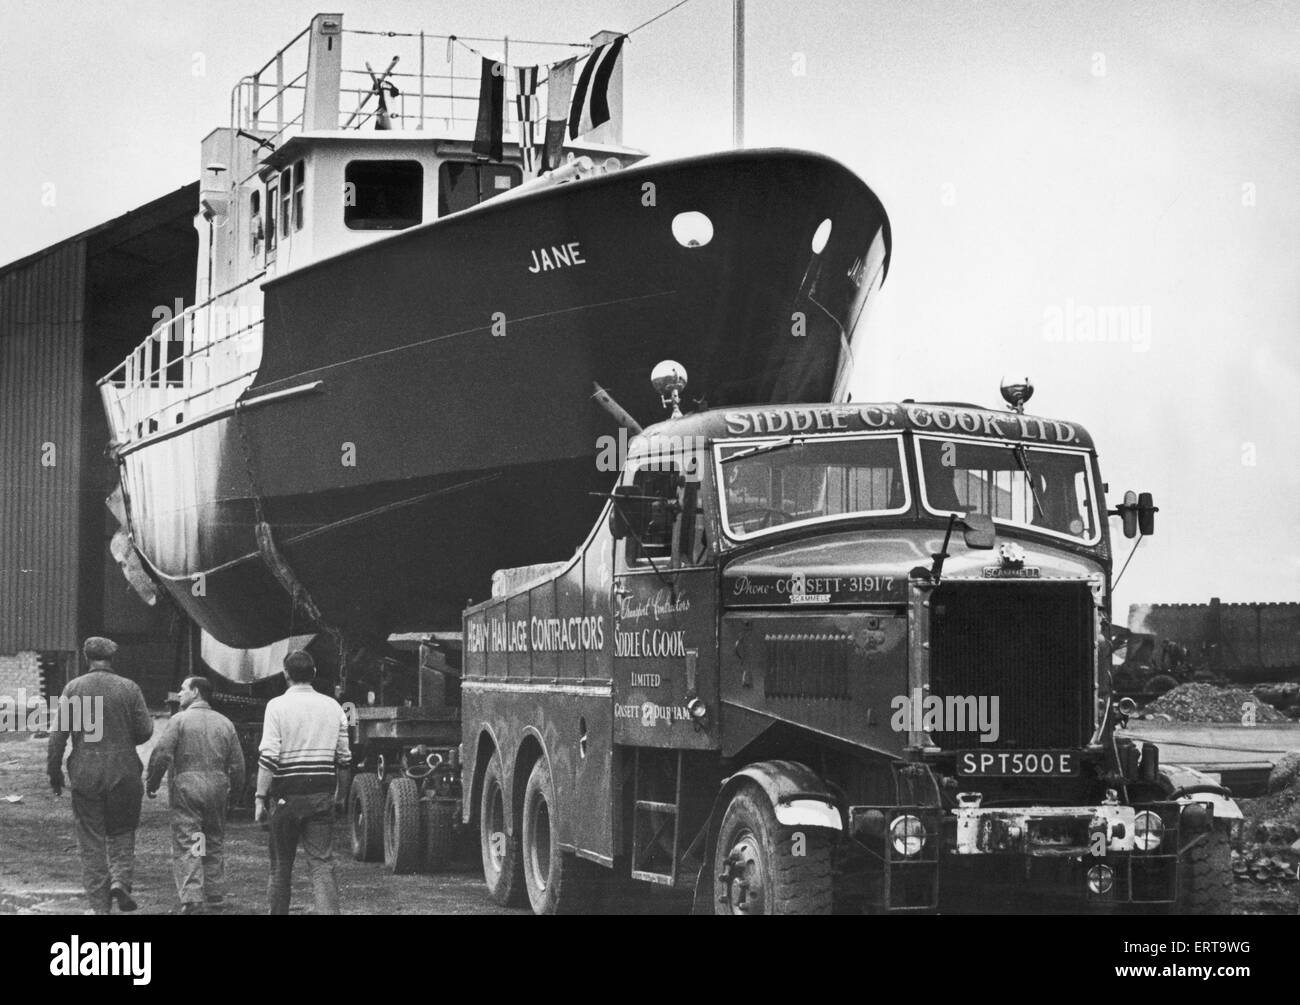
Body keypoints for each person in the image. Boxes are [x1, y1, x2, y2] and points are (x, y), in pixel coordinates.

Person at [46, 636, 153, 915]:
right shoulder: (129, 688)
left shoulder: (73, 688)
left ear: (86, 658)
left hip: (85, 772)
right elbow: (145, 730)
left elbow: (58, 737)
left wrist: (54, 772)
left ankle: (99, 907)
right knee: (123, 831)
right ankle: (120, 880)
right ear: (112, 659)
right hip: (124, 771)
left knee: (91, 840)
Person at [255, 650, 351, 915]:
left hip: (286, 797)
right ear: (314, 673)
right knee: (322, 864)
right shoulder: (333, 706)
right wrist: (340, 797)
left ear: (285, 674)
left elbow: (269, 757)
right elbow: (344, 759)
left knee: (281, 866)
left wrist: (260, 797)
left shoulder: (276, 706)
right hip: (321, 796)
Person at [146, 676, 245, 914]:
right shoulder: (225, 723)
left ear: (196, 692)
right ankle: (214, 894)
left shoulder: (179, 720)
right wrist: (236, 794)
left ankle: (192, 897)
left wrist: (153, 781)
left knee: (190, 840)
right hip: (218, 787)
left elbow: (162, 753)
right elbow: (238, 765)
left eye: (183, 689)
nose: (179, 694)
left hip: (188, 787)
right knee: (212, 840)